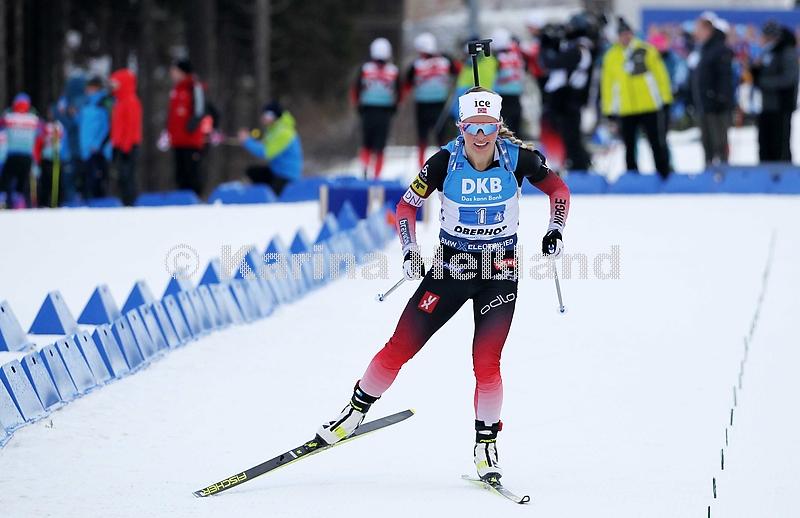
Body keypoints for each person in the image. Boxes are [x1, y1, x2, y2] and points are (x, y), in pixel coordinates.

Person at [313, 86, 571, 482]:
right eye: (472, 128)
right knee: (400, 346)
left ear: (498, 126)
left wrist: (555, 229)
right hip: (451, 271)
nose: (480, 136)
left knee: (487, 364)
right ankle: (354, 412)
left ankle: (486, 445)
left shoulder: (518, 159)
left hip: (499, 273)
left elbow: (558, 190)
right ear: (461, 127)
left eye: (488, 127)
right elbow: (406, 205)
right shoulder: (444, 162)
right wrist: (409, 249)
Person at [601, 18, 673, 179]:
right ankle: (632, 175)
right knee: (629, 145)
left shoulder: (646, 50)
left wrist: (666, 99)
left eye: (628, 34)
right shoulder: (611, 56)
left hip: (649, 105)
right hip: (626, 108)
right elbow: (607, 85)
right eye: (622, 34)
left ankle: (664, 174)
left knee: (656, 142)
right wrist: (609, 110)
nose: (625, 37)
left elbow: (661, 76)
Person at [540, 16, 594, 171]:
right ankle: (576, 164)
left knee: (571, 136)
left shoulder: (578, 49)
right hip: (569, 98)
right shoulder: (579, 48)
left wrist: (546, 47)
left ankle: (579, 166)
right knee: (568, 135)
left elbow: (553, 63)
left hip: (570, 99)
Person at [405, 32, 460, 168]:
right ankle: (444, 164)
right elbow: (458, 70)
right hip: (438, 104)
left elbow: (407, 83)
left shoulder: (417, 64)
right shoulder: (445, 61)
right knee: (440, 137)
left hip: (424, 105)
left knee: (423, 137)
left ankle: (423, 166)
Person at [688, 13, 734, 166]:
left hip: (716, 106)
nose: (696, 32)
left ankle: (723, 171)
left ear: (708, 29)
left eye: (699, 29)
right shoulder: (702, 49)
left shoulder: (719, 48)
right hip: (704, 104)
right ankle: (708, 171)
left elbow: (725, 77)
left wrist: (720, 98)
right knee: (707, 143)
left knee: (719, 142)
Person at [751, 20, 799, 162]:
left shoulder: (787, 52)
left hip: (781, 106)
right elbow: (762, 75)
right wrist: (755, 70)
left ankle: (783, 172)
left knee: (780, 145)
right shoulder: (767, 52)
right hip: (766, 105)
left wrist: (765, 82)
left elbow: (789, 78)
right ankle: (765, 171)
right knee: (765, 144)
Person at [352, 38, 401, 179]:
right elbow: (399, 92)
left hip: (369, 110)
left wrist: (358, 105)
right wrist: (395, 106)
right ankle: (375, 175)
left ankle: (366, 169)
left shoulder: (365, 69)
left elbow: (355, 89)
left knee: (367, 143)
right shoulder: (393, 71)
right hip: (383, 111)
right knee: (379, 145)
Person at [239, 101, 303, 196]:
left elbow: (266, 152)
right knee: (252, 172)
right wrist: (249, 140)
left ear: (275, 116)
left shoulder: (284, 132)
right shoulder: (274, 130)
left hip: (286, 176)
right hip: (276, 172)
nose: (264, 117)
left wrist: (247, 141)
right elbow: (264, 145)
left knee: (270, 196)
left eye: (268, 115)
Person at [167, 58, 207, 195]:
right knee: (180, 174)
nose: (172, 74)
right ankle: (181, 199)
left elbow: (200, 110)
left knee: (192, 173)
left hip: (191, 140)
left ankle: (195, 199)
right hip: (177, 140)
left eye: (175, 70)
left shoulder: (193, 86)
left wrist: (190, 127)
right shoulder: (175, 90)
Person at [0, 93, 42, 208]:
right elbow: (39, 135)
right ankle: (20, 202)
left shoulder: (8, 117)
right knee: (22, 181)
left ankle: (5, 200)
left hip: (12, 154)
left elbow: (2, 130)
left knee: (7, 178)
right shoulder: (33, 119)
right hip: (26, 155)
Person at [109, 68, 142, 206]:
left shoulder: (131, 101)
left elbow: (131, 126)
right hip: (120, 146)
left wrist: (126, 146)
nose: (113, 87)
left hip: (129, 146)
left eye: (115, 84)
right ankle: (125, 201)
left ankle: (130, 202)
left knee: (127, 175)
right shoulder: (119, 102)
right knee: (121, 176)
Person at [78, 77, 112, 199]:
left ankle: (100, 203)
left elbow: (106, 127)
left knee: (97, 181)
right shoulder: (86, 104)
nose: (87, 90)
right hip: (85, 149)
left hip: (97, 150)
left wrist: (97, 144)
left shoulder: (103, 103)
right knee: (86, 180)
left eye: (90, 88)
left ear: (96, 88)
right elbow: (81, 124)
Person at [490, 28, 526, 135]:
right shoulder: (516, 54)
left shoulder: (496, 57)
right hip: (516, 91)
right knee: (515, 122)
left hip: (501, 93)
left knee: (504, 123)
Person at [33, 105, 64, 207]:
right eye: (49, 113)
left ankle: (56, 202)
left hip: (56, 158)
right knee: (45, 181)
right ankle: (43, 202)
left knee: (56, 181)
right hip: (45, 158)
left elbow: (63, 140)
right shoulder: (43, 126)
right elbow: (39, 142)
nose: (50, 115)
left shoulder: (59, 126)